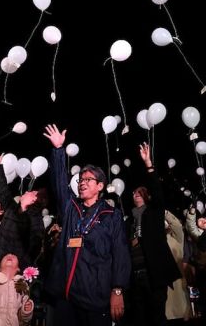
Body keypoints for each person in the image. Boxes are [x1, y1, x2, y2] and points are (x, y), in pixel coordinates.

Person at [43, 124, 130, 326]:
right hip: (67, 295)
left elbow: (120, 252)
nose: (82, 182)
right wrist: (58, 150)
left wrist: (117, 289)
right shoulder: (71, 208)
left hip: (96, 297)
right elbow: (58, 183)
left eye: (88, 179)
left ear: (100, 186)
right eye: (81, 179)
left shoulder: (111, 215)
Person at [124, 142, 180, 326]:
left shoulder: (154, 212)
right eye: (134, 193)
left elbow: (157, 190)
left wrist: (149, 164)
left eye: (140, 193)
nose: (136, 195)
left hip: (153, 274)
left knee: (156, 317)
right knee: (138, 318)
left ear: (146, 196)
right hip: (135, 275)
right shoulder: (129, 220)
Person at [0, 152, 44, 276]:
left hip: (12, 271)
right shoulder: (11, 208)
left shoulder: (34, 220)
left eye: (31, 192)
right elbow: (3, 188)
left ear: (34, 199)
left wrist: (22, 267)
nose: (26, 191)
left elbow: (35, 247)